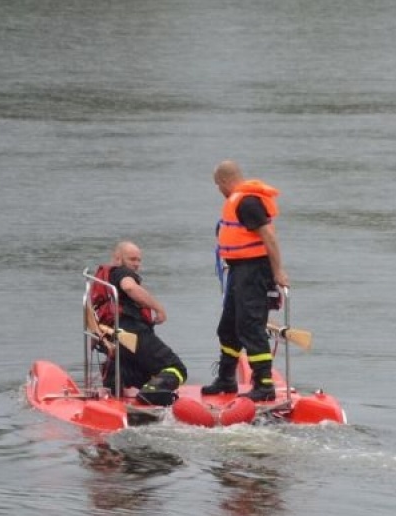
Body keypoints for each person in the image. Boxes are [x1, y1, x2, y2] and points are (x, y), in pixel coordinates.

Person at [203, 160, 287, 403]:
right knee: (228, 327)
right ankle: (226, 378)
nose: (219, 190)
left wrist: (278, 272)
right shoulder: (237, 201)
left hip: (254, 270)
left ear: (225, 181)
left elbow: (269, 237)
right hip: (239, 270)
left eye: (218, 185)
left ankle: (264, 384)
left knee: (250, 326)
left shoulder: (248, 202)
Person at [90, 240, 187, 406]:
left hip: (111, 333)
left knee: (146, 370)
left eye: (139, 260)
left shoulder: (107, 278)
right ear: (118, 258)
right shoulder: (121, 273)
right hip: (131, 331)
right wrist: (159, 308)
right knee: (177, 368)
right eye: (132, 259)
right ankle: (151, 392)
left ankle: (115, 380)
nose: (136, 264)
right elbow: (130, 287)